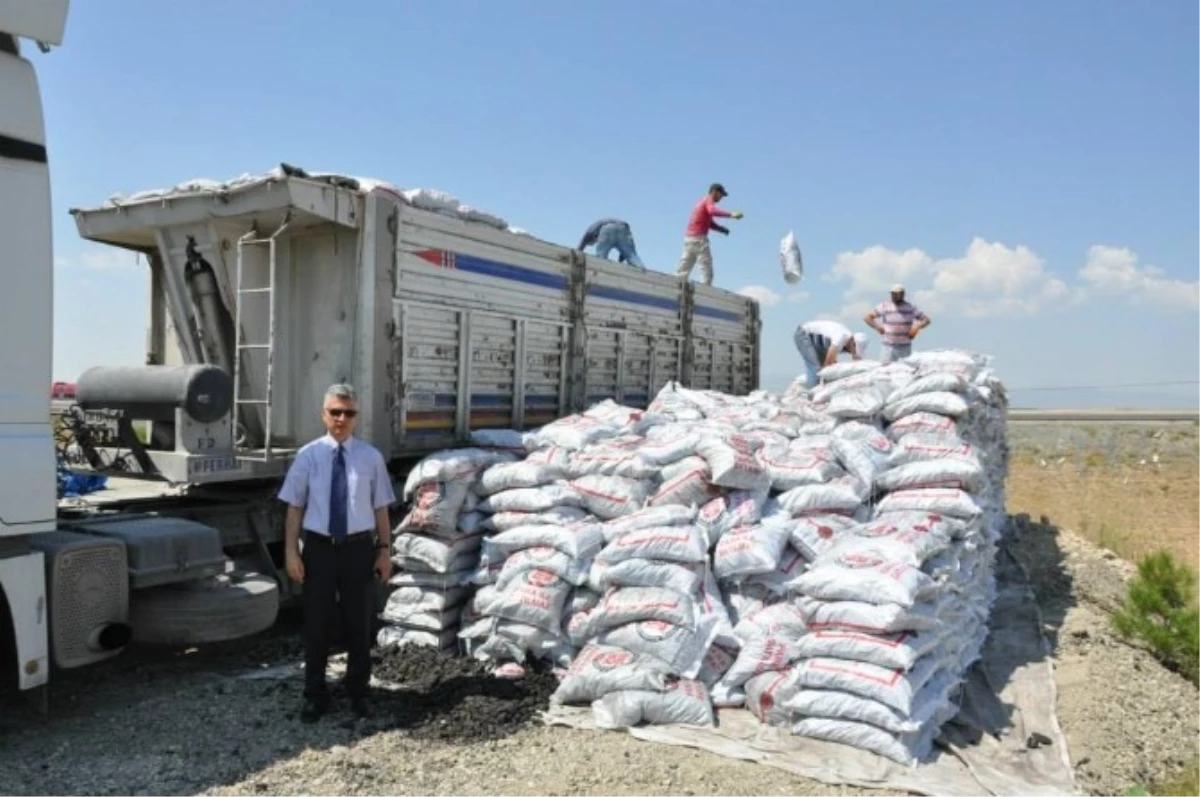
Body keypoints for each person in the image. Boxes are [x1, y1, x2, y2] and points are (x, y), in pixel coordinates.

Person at [278, 383, 396, 722]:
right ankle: (315, 694)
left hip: (359, 549)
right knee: (316, 624)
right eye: (335, 412)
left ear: (356, 417)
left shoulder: (370, 458)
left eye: (349, 413)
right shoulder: (308, 456)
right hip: (319, 550)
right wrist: (291, 553)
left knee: (359, 623)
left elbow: (381, 510)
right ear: (324, 414)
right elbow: (294, 510)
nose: (341, 418)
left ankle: (359, 692)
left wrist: (384, 551)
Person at [675, 183, 744, 286]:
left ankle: (675, 289)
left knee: (683, 270)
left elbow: (709, 222)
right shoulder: (708, 200)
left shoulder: (700, 202)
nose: (721, 198)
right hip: (699, 240)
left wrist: (720, 229)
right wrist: (731, 214)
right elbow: (712, 211)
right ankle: (704, 294)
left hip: (689, 239)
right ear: (715, 191)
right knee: (707, 271)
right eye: (721, 195)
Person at [863, 284, 931, 362]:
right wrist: (877, 327)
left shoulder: (910, 307)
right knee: (885, 370)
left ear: (902, 294)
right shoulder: (884, 306)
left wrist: (916, 327)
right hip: (888, 346)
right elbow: (867, 318)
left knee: (905, 370)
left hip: (904, 346)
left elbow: (926, 320)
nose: (894, 296)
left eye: (897, 294)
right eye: (893, 294)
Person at [794, 319, 867, 387]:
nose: (850, 352)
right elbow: (829, 362)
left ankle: (818, 389)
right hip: (804, 335)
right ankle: (811, 395)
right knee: (815, 367)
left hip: (820, 344)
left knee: (828, 370)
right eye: (852, 350)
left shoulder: (848, 343)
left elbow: (856, 361)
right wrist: (826, 379)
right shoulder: (842, 337)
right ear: (853, 342)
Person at [578, 218, 645, 267]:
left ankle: (601, 274)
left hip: (607, 228)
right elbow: (627, 252)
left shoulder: (590, 232)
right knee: (632, 256)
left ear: (593, 238)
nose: (596, 242)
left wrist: (577, 253)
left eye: (594, 242)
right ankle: (643, 272)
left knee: (601, 257)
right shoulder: (599, 225)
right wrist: (621, 260)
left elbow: (582, 244)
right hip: (624, 228)